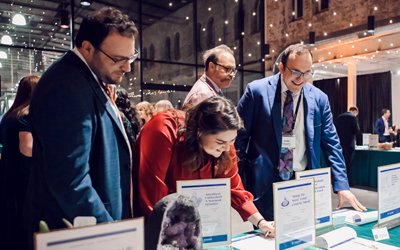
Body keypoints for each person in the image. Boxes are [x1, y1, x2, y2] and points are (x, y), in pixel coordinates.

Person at [22, 7, 137, 250]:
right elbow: (70, 181)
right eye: (119, 58)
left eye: (131, 57)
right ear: (87, 48)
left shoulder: (85, 78)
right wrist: (112, 234)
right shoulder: (66, 86)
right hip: (75, 234)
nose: (128, 67)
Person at [235, 44, 366, 221]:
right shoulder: (257, 91)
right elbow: (238, 138)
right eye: (295, 72)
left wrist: (342, 185)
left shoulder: (319, 99)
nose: (301, 79)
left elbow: (332, 144)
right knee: (269, 240)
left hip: (304, 181)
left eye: (307, 73)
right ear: (281, 68)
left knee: (304, 236)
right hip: (266, 183)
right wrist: (240, 180)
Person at [132, 96, 275, 237]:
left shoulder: (224, 143)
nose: (227, 148)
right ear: (200, 131)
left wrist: (261, 222)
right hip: (160, 228)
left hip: (197, 229)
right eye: (220, 142)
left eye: (232, 140)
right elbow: (152, 194)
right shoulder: (164, 128)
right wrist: (172, 236)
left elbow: (235, 189)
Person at [0, 76, 39, 250]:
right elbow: (28, 148)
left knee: (13, 222)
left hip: (9, 176)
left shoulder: (10, 115)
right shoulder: (27, 115)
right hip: (26, 179)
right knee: (27, 224)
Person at [336, 107, 360, 176]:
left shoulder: (339, 117)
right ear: (355, 111)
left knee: (340, 162)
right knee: (348, 162)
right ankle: (347, 180)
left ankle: (338, 178)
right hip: (349, 144)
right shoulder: (353, 118)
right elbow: (357, 130)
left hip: (340, 143)